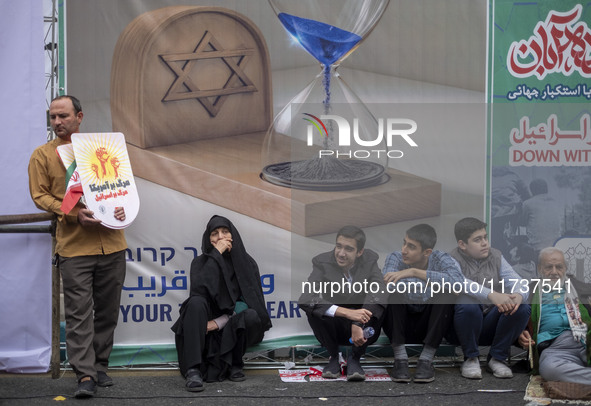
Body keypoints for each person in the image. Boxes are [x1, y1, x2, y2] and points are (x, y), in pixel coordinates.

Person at [28, 95, 128, 398]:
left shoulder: (102, 150)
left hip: (112, 244)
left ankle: (100, 366)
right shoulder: (42, 156)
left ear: (80, 117)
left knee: (108, 313)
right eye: (53, 117)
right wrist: (71, 213)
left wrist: (122, 208)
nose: (57, 122)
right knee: (79, 315)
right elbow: (40, 195)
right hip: (73, 248)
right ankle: (85, 375)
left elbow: (120, 188)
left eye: (63, 116)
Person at [172, 215, 272, 392]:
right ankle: (193, 370)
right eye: (214, 233)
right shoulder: (200, 263)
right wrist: (216, 255)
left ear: (233, 236)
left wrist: (218, 323)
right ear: (208, 239)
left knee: (250, 315)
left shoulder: (247, 263)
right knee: (194, 303)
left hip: (231, 327)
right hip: (203, 329)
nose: (220, 237)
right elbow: (199, 292)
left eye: (225, 232)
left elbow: (250, 303)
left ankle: (235, 364)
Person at [298, 226, 387, 381]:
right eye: (338, 246)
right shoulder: (321, 262)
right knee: (314, 308)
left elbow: (379, 291)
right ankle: (333, 357)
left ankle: (355, 358)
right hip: (334, 327)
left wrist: (358, 322)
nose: (341, 253)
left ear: (360, 252)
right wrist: (347, 313)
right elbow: (305, 297)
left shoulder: (370, 260)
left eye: (348, 249)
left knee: (381, 302)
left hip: (362, 330)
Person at [448, 217, 530, 380]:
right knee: (467, 302)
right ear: (462, 244)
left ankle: (497, 358)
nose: (485, 243)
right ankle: (470, 358)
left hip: (491, 326)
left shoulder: (496, 256)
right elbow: (460, 282)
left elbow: (519, 282)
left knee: (522, 306)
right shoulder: (450, 259)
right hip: (461, 328)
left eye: (485, 237)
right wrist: (492, 294)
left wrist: (519, 295)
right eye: (478, 240)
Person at [382, 224, 463, 383]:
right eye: (404, 243)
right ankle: (400, 360)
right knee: (391, 295)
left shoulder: (440, 258)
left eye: (411, 247)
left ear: (427, 252)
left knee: (446, 295)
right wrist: (434, 282)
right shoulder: (395, 257)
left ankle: (426, 360)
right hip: (401, 325)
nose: (404, 250)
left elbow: (457, 283)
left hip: (430, 327)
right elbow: (388, 283)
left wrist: (412, 272)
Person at [518, 248, 591, 385]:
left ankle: (580, 377)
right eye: (548, 267)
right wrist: (519, 333)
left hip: (586, 341)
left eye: (559, 267)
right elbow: (514, 316)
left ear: (565, 268)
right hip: (555, 349)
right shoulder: (529, 291)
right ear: (540, 269)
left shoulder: (580, 288)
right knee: (550, 369)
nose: (554, 272)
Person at [520, 179, 562, 253]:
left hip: (537, 247)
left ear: (532, 191)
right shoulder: (555, 202)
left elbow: (522, 222)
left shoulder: (528, 203)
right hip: (556, 246)